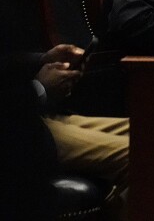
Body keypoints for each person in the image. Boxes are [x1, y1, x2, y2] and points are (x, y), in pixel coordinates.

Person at [1, 44, 129, 220]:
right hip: (15, 131)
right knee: (137, 154)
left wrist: (42, 59)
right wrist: (40, 89)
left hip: (31, 113)